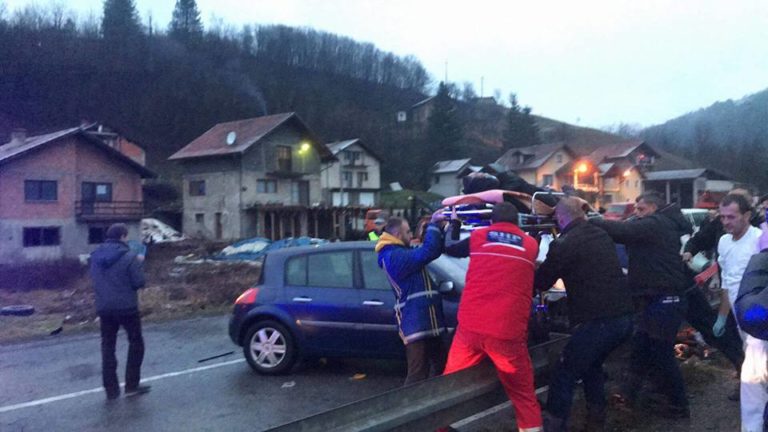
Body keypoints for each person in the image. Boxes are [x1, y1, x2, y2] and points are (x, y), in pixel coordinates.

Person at [534, 197, 634, 431]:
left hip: (598, 321)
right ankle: (596, 420)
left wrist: (535, 266)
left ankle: (555, 426)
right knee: (591, 365)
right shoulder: (600, 234)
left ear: (560, 218)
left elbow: (542, 281)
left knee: (564, 372)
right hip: (624, 316)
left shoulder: (563, 244)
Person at [590, 191, 692, 419]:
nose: (637, 214)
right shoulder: (658, 224)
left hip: (664, 299)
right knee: (641, 348)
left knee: (662, 353)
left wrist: (593, 221)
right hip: (653, 298)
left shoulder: (657, 223)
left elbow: (624, 231)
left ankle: (678, 405)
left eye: (641, 209)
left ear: (654, 208)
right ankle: (630, 396)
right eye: (636, 210)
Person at [443, 202, 543, 432]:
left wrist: (454, 223)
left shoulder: (479, 236)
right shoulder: (529, 245)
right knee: (523, 396)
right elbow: (529, 246)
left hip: (470, 328)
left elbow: (450, 247)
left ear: (492, 221)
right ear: (517, 222)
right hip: (506, 333)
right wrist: (536, 227)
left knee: (448, 388)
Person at [713, 194, 766, 431]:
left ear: (746, 215)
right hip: (738, 314)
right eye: (722, 217)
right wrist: (723, 315)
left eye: (731, 217)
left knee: (756, 371)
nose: (726, 221)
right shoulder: (724, 241)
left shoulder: (759, 240)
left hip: (759, 315)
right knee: (751, 367)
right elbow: (728, 280)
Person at [375, 211, 447, 385]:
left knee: (441, 366)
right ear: (398, 235)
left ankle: (436, 402)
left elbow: (430, 249)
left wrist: (436, 231)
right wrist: (433, 226)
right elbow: (428, 252)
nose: (412, 235)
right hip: (415, 320)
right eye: (408, 232)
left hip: (426, 320)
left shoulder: (399, 252)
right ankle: (410, 407)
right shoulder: (393, 256)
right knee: (417, 373)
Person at [90, 223, 150, 400]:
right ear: (123, 236)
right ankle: (131, 386)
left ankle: (111, 390)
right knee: (136, 343)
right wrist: (139, 265)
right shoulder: (130, 257)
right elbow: (138, 282)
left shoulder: (95, 256)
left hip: (104, 308)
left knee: (108, 346)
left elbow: (93, 279)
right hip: (127, 308)